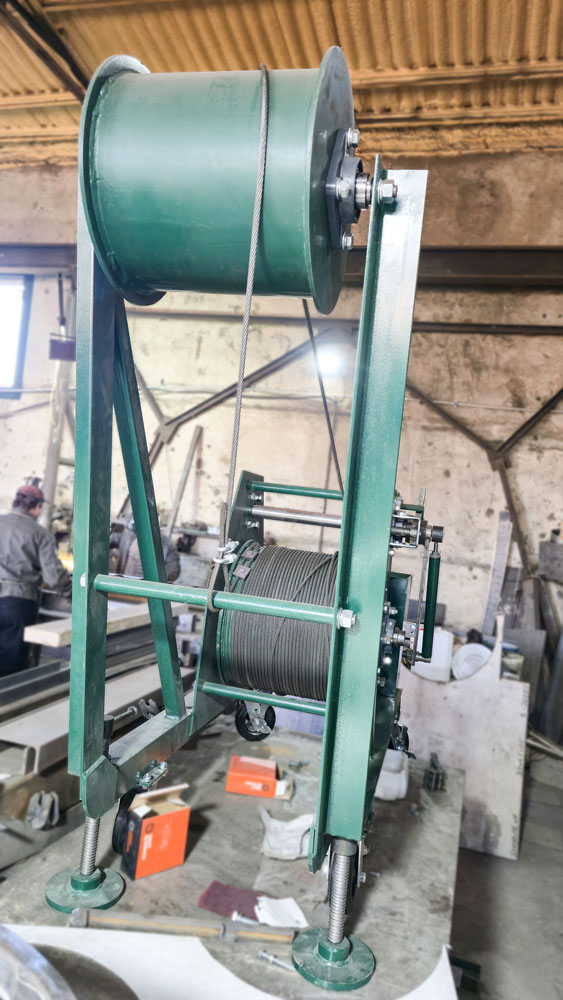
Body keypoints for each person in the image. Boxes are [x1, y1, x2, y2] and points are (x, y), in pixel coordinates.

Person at [0, 484, 72, 676]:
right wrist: (73, 593)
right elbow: (54, 577)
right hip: (17, 603)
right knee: (10, 664)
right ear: (37, 507)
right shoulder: (40, 534)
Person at [109, 517, 180, 582]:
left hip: (145, 588)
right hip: (124, 583)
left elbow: (174, 570)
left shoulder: (167, 545)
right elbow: (110, 540)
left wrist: (156, 579)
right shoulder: (128, 536)